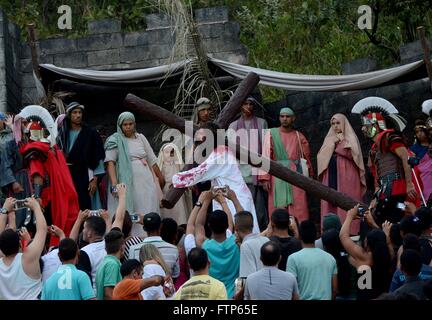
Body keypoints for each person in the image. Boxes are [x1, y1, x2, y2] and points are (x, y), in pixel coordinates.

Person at [172, 122, 260, 233]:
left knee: (241, 234)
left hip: (235, 199)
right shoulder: (220, 150)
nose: (200, 140)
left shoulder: (220, 153)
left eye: (202, 137)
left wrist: (175, 178)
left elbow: (200, 173)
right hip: (229, 197)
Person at [15, 105, 79, 245]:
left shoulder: (35, 150)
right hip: (57, 193)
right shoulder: (52, 148)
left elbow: (37, 174)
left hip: (45, 196)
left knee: (41, 228)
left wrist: (37, 197)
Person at [351, 97, 420, 225]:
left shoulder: (389, 137)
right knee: (385, 215)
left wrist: (409, 183)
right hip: (385, 192)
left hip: (397, 188)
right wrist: (377, 193)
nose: (362, 129)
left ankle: (415, 218)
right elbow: (376, 173)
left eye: (366, 125)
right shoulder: (374, 149)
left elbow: (406, 157)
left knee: (393, 213)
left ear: (375, 125)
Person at [105, 111, 164, 237]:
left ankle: (148, 234)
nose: (128, 127)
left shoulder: (141, 138)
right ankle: (131, 237)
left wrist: (160, 177)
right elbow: (110, 162)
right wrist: (115, 183)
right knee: (129, 209)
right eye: (125, 124)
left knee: (147, 205)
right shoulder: (115, 139)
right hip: (127, 182)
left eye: (130, 124)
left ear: (134, 124)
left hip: (146, 181)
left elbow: (152, 159)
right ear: (120, 126)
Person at [259, 107, 313, 223]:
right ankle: (277, 232)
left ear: (293, 119)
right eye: (282, 116)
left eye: (287, 116)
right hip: (277, 173)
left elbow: (306, 157)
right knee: (278, 208)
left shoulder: (299, 136)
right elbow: (265, 156)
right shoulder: (271, 134)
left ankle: (300, 231)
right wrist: (264, 178)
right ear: (279, 118)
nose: (284, 119)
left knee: (299, 205)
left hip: (296, 173)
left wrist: (309, 178)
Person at [317, 113, 366, 234]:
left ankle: (351, 230)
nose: (335, 126)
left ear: (343, 123)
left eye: (338, 123)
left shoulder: (350, 138)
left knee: (346, 199)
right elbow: (320, 157)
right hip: (331, 174)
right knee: (330, 201)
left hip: (347, 174)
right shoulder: (329, 139)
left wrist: (340, 144)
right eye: (333, 124)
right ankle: (330, 230)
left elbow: (355, 155)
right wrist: (332, 144)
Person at [228, 96, 269, 230]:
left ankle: (261, 231)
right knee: (243, 202)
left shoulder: (262, 123)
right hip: (240, 171)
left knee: (259, 207)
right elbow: (231, 152)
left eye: (251, 103)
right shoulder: (233, 126)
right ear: (240, 106)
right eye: (245, 103)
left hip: (257, 170)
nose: (248, 106)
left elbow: (266, 148)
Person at [57, 102, 106, 210]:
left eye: (80, 112)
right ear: (69, 115)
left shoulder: (90, 133)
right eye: (75, 112)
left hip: (85, 174)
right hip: (67, 174)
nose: (78, 115)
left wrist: (95, 179)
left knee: (86, 205)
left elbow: (98, 156)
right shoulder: (62, 134)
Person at [339, 205, 393, 300]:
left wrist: (349, 216)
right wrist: (374, 224)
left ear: (367, 244)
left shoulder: (365, 257)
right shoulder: (389, 254)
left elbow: (343, 236)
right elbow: (382, 240)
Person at [194, 190, 240, 298]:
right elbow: (241, 223)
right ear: (227, 225)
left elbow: (199, 225)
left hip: (213, 294)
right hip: (234, 295)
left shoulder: (205, 245)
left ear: (209, 225)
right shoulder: (236, 242)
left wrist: (206, 201)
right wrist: (228, 201)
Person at [0, 197, 46, 300]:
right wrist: (36, 207)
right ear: (20, 244)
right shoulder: (28, 257)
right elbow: (42, 230)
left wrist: (5, 211)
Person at [287, 220, 337, 300]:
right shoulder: (330, 258)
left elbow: (291, 289)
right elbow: (334, 290)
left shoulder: (293, 258)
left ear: (300, 236)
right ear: (317, 235)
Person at [127, 212, 180, 279]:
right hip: (165, 288)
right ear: (160, 226)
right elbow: (175, 276)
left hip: (142, 288)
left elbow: (131, 277)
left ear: (144, 228)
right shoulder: (174, 249)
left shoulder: (133, 249)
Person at [157, 143, 191, 225]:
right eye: (166, 152)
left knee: (179, 213)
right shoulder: (159, 167)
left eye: (172, 152)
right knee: (166, 213)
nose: (169, 154)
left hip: (176, 192)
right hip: (165, 192)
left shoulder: (179, 166)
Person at [235, 210, 269, 278]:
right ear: (253, 225)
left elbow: (247, 277)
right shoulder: (266, 240)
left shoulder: (245, 246)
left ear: (236, 228)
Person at [96, 229, 124, 300]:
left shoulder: (105, 262)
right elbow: (109, 294)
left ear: (106, 248)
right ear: (122, 247)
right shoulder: (112, 264)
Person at [410, 120, 432, 203]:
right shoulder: (413, 149)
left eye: (421, 131)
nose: (419, 134)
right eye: (417, 132)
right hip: (422, 176)